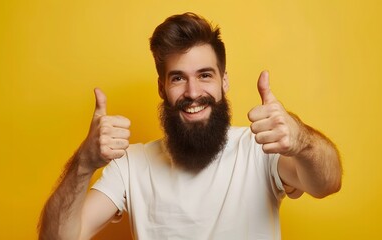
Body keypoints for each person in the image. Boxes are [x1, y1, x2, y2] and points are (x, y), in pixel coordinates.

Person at [38, 12, 342, 240]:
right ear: (162, 87)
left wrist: (301, 140)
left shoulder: (260, 148)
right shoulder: (130, 165)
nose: (193, 92)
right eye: (178, 77)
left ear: (224, 81)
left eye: (205, 75)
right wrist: (84, 163)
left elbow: (327, 183)